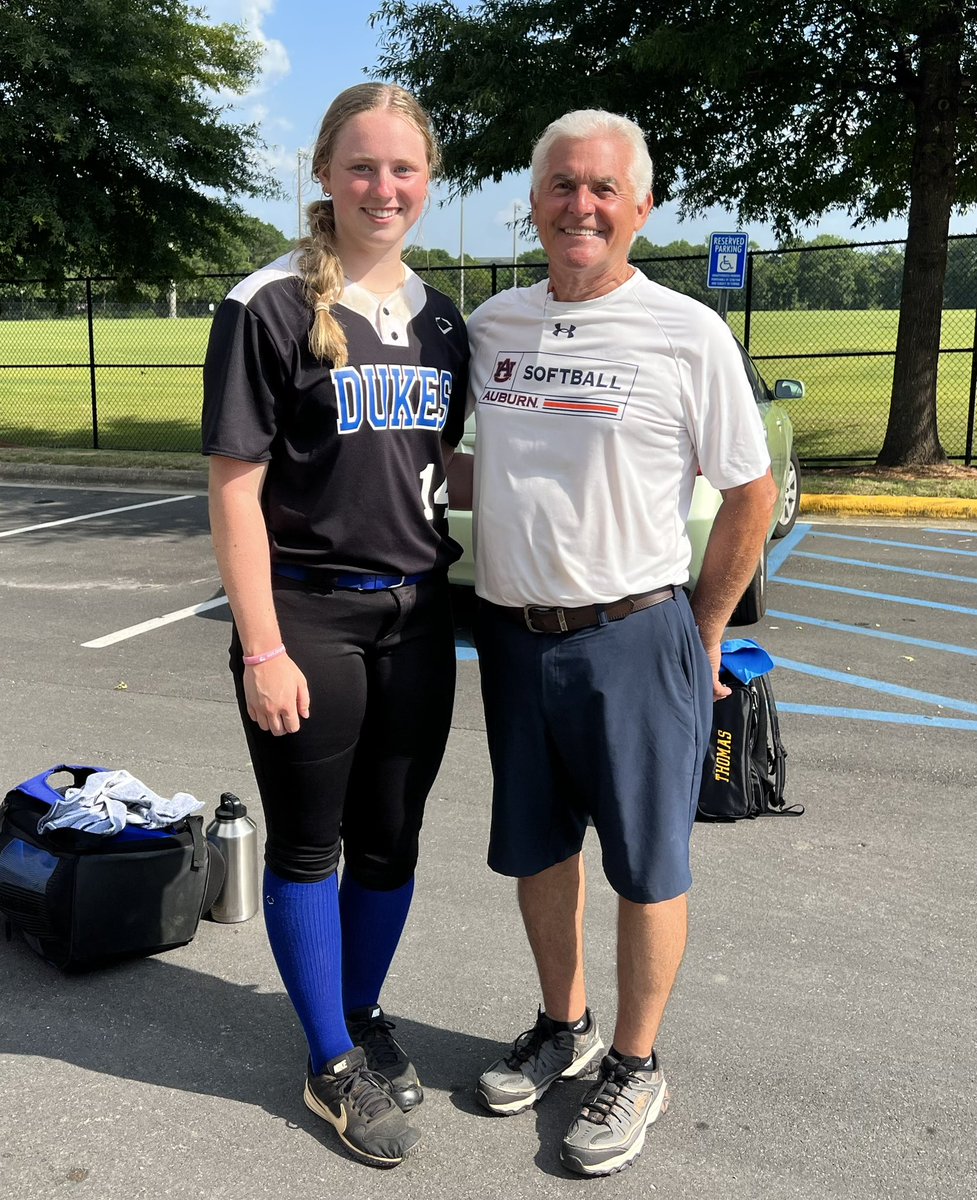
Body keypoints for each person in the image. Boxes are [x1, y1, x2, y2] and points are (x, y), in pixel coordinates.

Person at [466, 110, 778, 1178]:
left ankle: (635, 1063)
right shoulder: (494, 324)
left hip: (634, 635)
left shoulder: (683, 332)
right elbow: (482, 464)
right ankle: (566, 1025)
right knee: (540, 848)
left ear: (639, 206)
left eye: (602, 188)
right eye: (561, 185)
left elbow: (750, 491)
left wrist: (698, 628)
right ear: (535, 199)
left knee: (647, 865)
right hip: (510, 638)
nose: (580, 205)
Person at [202, 83, 469, 1168]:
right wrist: (260, 645)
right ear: (323, 173)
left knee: (393, 839)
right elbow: (231, 487)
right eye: (361, 166)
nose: (382, 187)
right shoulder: (265, 303)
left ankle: (358, 1018)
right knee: (313, 843)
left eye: (402, 169)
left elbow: (434, 469)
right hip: (306, 615)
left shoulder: (442, 319)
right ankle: (326, 1064)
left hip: (416, 616)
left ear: (428, 181)